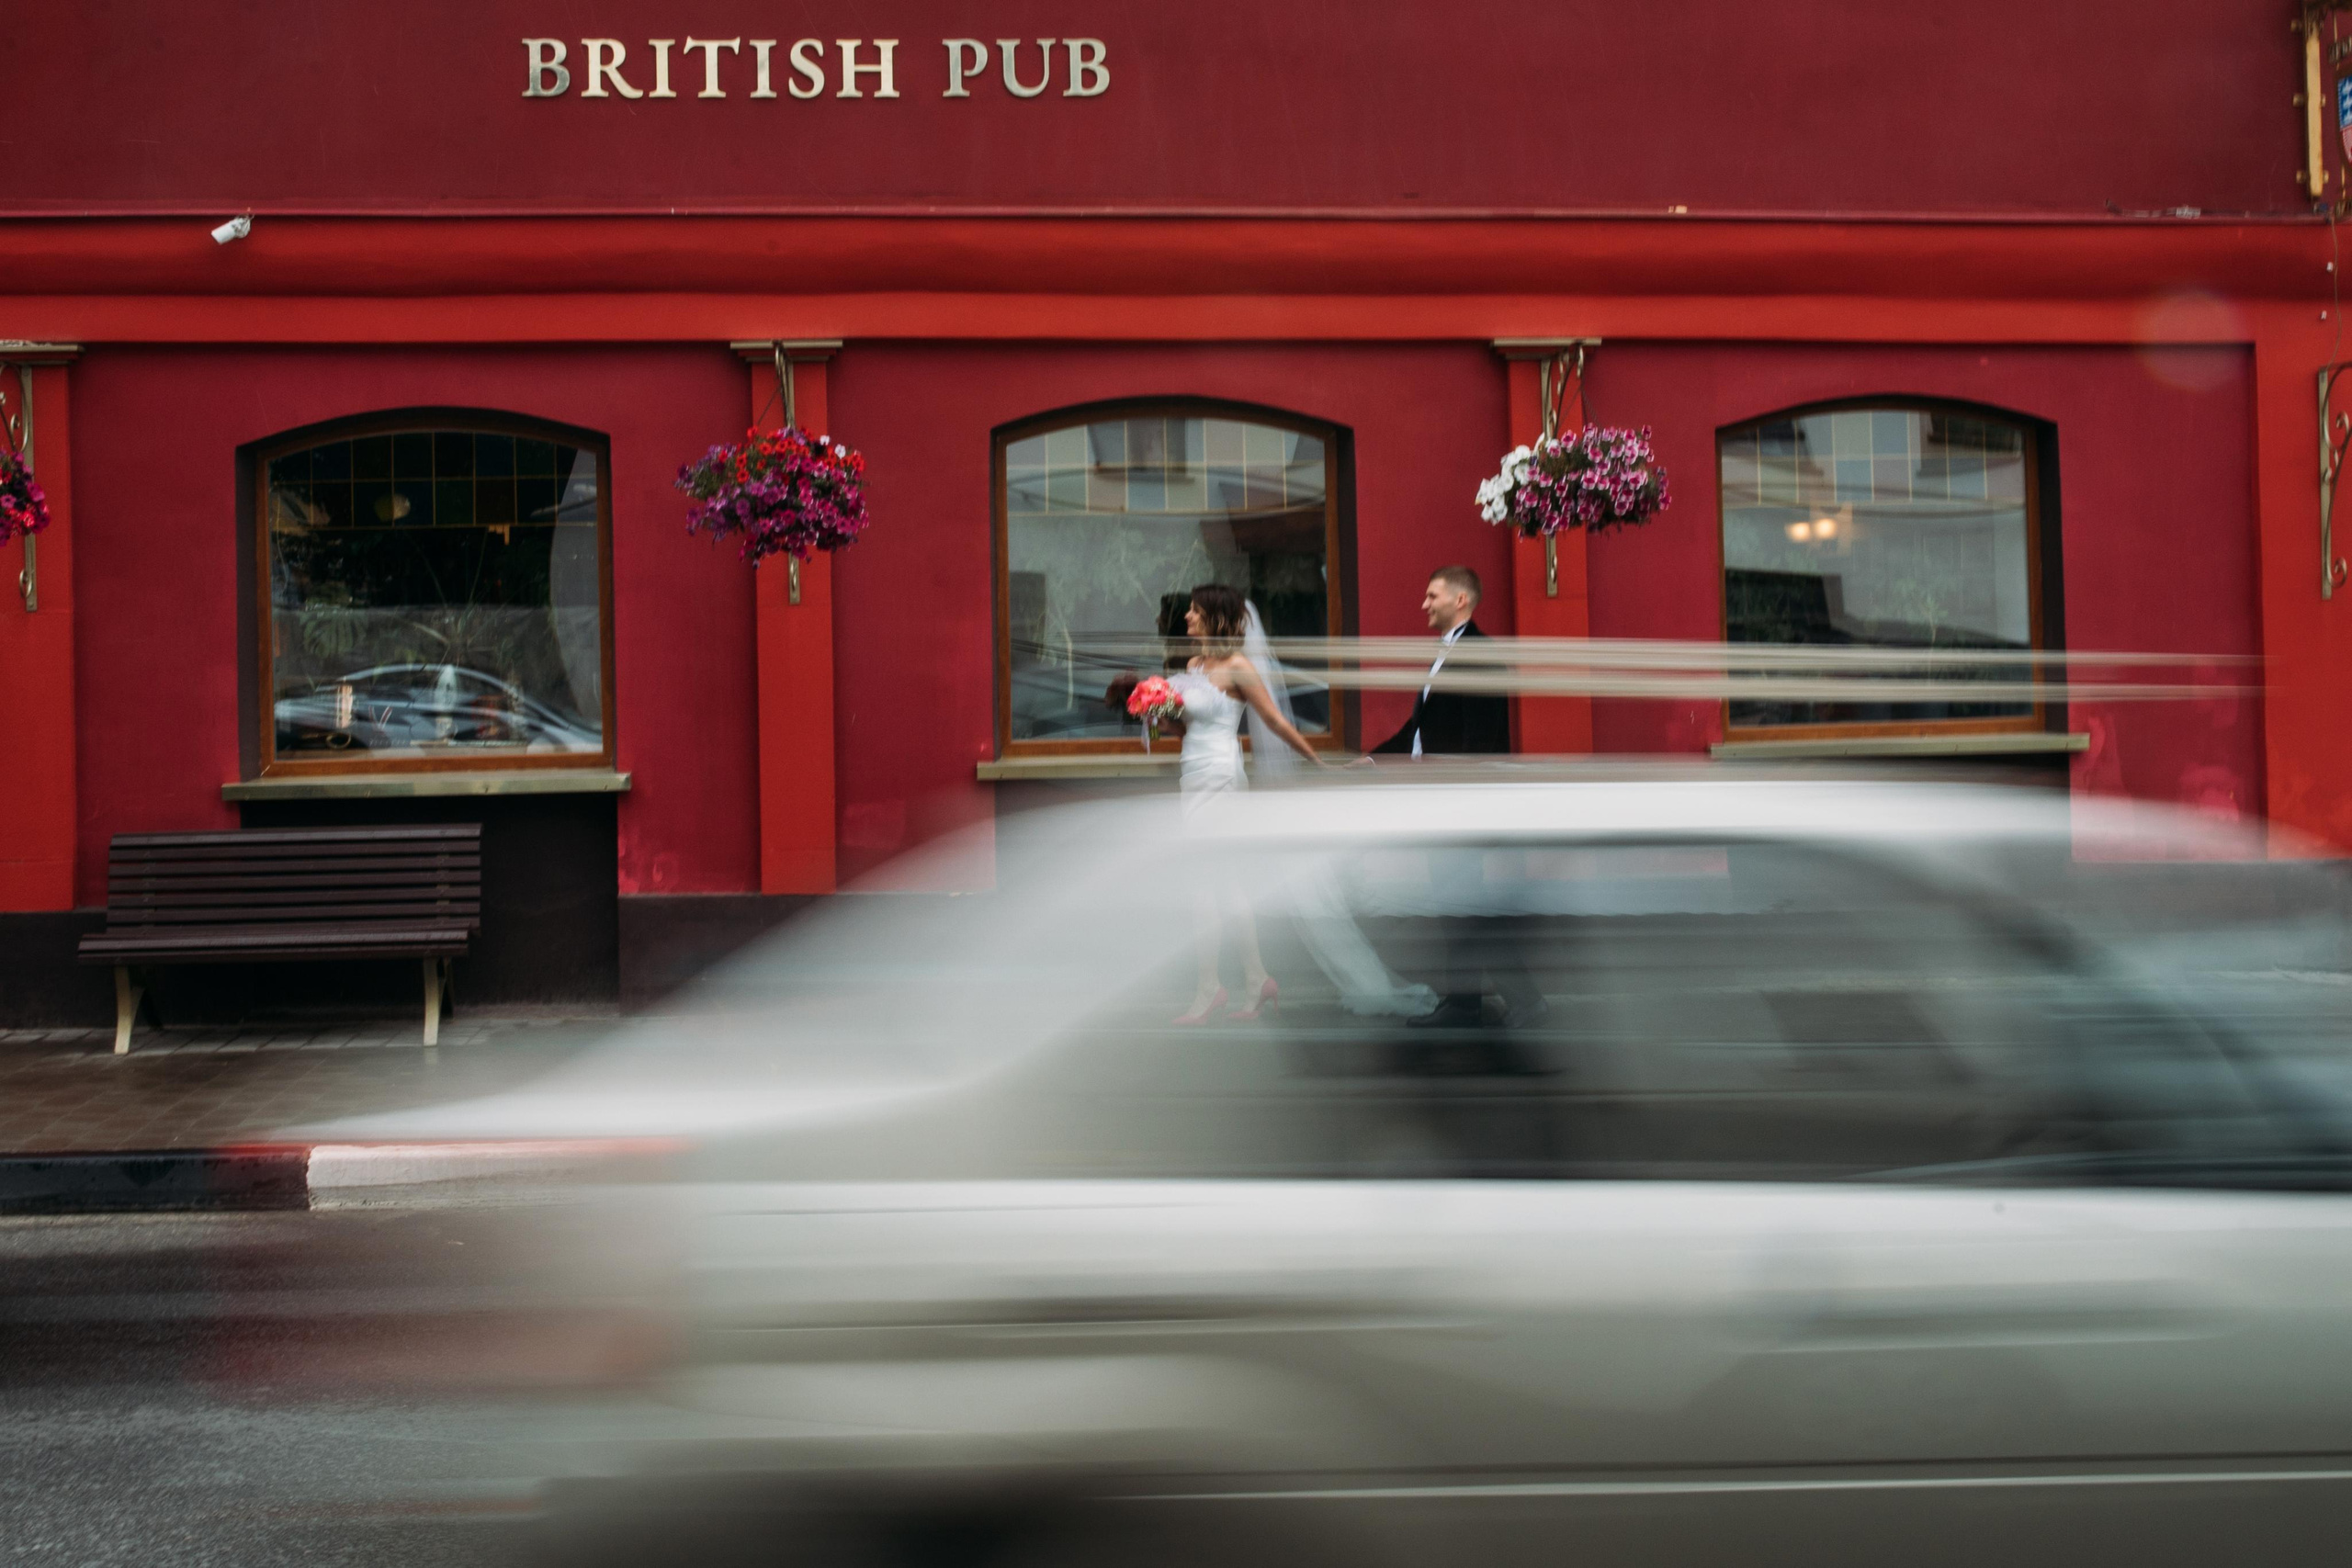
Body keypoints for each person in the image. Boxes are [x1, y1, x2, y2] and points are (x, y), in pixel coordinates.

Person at [1169, 583, 1325, 1025]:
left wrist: (1316, 760)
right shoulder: (1194, 665)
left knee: (1201, 883)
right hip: (1192, 773)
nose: (1187, 619)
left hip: (1219, 778)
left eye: (1195, 612)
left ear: (1215, 617)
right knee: (1227, 883)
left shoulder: (1239, 666)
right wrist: (1158, 714)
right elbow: (1185, 730)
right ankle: (1257, 979)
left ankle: (1209, 987)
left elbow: (1273, 720)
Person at [1371, 566, 1510, 758]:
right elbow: (1420, 726)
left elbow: (1479, 741)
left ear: (1460, 600)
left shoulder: (1480, 655)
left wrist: (1452, 785)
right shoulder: (1447, 650)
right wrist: (1372, 760)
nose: (1425, 605)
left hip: (1456, 784)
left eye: (1432, 596)